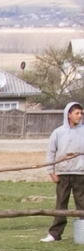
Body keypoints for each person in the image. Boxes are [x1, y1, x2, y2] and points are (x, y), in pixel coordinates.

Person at [42, 101, 84, 242]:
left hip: (80, 174)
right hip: (63, 174)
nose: (80, 115)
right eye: (77, 113)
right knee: (61, 204)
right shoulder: (58, 133)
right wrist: (52, 172)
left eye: (81, 113)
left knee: (82, 203)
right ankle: (55, 234)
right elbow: (51, 153)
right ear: (69, 114)